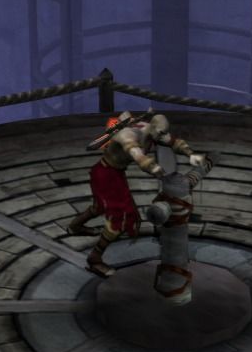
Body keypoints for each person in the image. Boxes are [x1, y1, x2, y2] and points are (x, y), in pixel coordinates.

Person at [67, 110, 206, 278]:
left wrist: (191, 154)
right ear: (153, 128)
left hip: (114, 173)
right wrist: (154, 168)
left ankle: (75, 227)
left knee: (100, 206)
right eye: (160, 133)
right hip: (105, 174)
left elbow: (173, 142)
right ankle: (94, 259)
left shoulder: (154, 131)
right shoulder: (129, 134)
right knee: (120, 220)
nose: (162, 136)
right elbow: (137, 154)